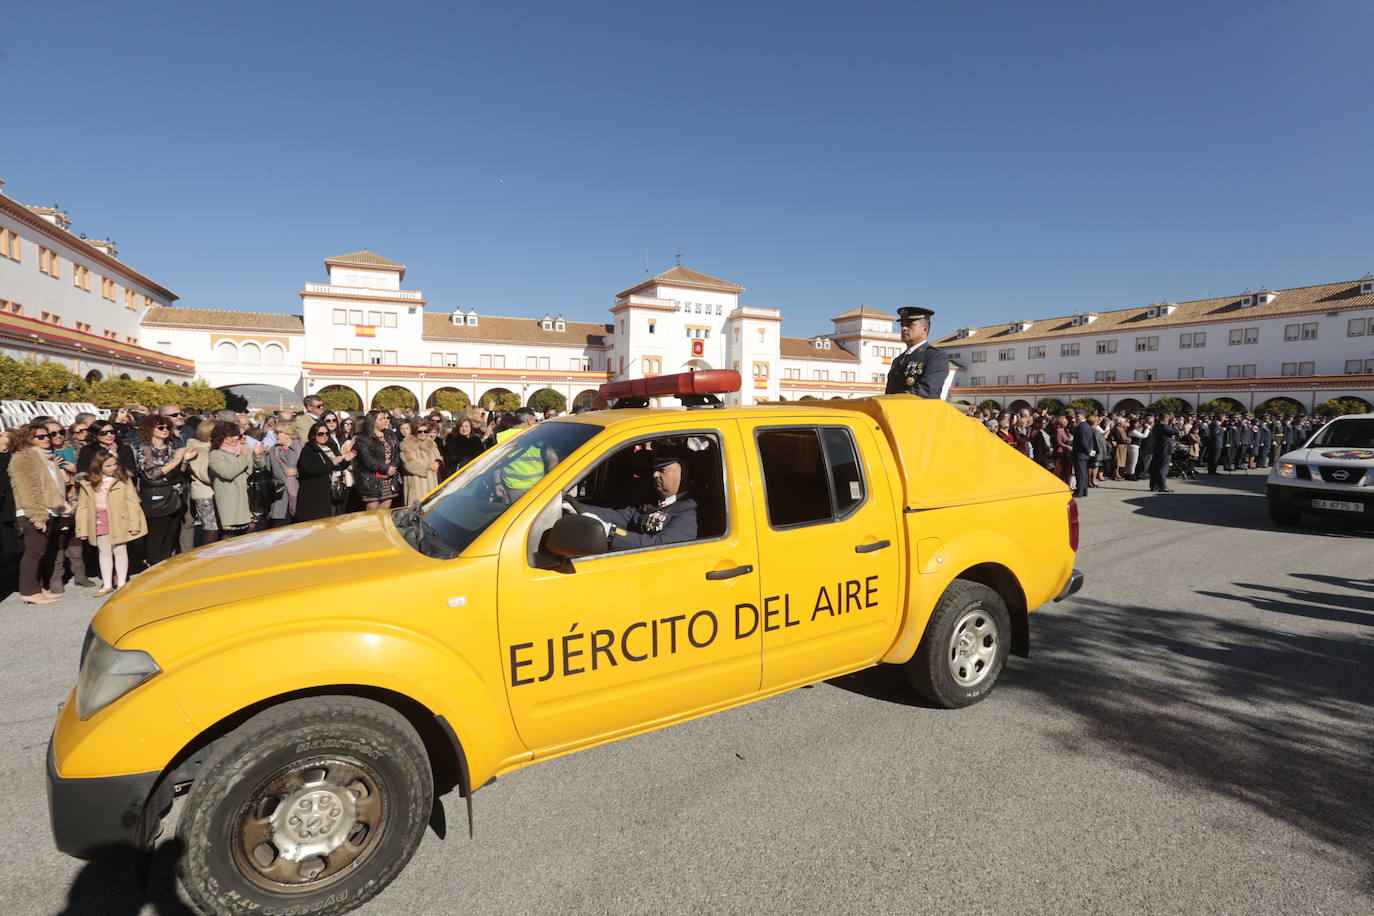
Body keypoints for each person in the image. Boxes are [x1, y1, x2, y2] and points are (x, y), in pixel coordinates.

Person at [575, 443, 699, 549]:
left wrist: (611, 534)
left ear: (684, 474)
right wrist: (578, 509)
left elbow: (661, 546)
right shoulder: (653, 499)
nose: (655, 474)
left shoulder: (689, 510)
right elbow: (624, 517)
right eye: (654, 469)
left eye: (662, 470)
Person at [8, 423, 70, 604]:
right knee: (34, 551)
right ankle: (28, 591)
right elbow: (28, 489)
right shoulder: (23, 458)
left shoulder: (45, 457)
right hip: (32, 511)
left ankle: (36, 588)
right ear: (28, 439)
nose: (47, 439)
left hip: (48, 509)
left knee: (40, 551)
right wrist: (36, 516)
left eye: (48, 436)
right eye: (41, 436)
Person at [74, 450, 146, 596]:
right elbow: (82, 507)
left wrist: (134, 524)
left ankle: (121, 583)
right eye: (108, 465)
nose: (113, 468)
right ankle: (106, 584)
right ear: (98, 466)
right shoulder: (88, 483)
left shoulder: (123, 480)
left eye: (115, 464)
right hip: (99, 519)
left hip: (119, 518)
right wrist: (82, 529)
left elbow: (132, 502)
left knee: (120, 549)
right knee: (104, 551)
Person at [132, 413, 188, 568]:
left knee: (171, 534)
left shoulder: (172, 446)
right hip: (156, 496)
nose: (165, 430)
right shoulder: (146, 448)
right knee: (157, 535)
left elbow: (181, 471)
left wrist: (185, 460)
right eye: (161, 427)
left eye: (167, 427)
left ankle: (165, 566)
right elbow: (151, 473)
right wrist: (176, 461)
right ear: (150, 429)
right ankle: (155, 566)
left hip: (175, 495)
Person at [208, 420, 268, 538]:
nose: (236, 438)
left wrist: (257, 455)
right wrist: (243, 457)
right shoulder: (215, 454)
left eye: (238, 435)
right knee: (230, 537)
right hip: (231, 502)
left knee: (249, 536)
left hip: (248, 499)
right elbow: (228, 473)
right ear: (221, 437)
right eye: (231, 435)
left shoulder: (244, 449)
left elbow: (260, 466)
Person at [884, 306, 951, 399]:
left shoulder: (935, 356)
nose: (904, 328)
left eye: (910, 324)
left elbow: (927, 389)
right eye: (902, 324)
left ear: (925, 329)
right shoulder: (898, 360)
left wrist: (895, 400)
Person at [296, 421, 352, 521]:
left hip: (335, 490)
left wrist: (346, 460)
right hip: (317, 493)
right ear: (313, 436)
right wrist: (331, 463)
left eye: (327, 433)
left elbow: (339, 466)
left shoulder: (331, 447)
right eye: (320, 434)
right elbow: (309, 470)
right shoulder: (308, 450)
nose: (324, 436)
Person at [354, 410, 400, 510]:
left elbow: (397, 453)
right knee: (372, 515)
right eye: (381, 419)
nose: (385, 421)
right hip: (372, 480)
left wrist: (393, 467)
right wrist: (386, 468)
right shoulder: (363, 438)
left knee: (385, 512)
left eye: (385, 418)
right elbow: (368, 460)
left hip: (389, 479)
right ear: (372, 422)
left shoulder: (390, 435)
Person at [185, 419, 221, 545]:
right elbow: (204, 474)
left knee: (217, 528)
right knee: (212, 530)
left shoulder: (210, 448)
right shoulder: (199, 450)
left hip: (213, 493)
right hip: (206, 495)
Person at [400, 421, 443, 505]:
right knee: (416, 511)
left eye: (425, 431)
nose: (422, 433)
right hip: (416, 484)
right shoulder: (407, 444)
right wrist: (428, 466)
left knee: (430, 508)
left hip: (432, 483)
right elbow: (409, 464)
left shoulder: (432, 443)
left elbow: (439, 457)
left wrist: (438, 463)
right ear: (414, 432)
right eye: (419, 431)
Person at [267, 425, 301, 526]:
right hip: (280, 496)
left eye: (278, 433)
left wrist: (296, 472)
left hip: (299, 494)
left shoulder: (301, 447)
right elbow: (267, 469)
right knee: (279, 530)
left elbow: (311, 468)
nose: (275, 436)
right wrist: (258, 457)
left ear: (288, 434)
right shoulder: (273, 450)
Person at [1148, 413, 1180, 493]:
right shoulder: (1164, 426)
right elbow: (1176, 432)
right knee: (1163, 468)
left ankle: (1153, 485)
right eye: (1168, 418)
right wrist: (1173, 424)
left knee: (1155, 468)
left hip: (1157, 449)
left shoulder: (1156, 426)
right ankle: (1163, 487)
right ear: (1166, 418)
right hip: (1165, 449)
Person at [1070, 411, 1096, 498]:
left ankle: (1079, 492)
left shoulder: (1081, 426)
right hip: (1084, 454)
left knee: (1080, 474)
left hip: (1080, 453)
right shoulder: (1088, 426)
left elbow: (1083, 441)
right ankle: (1084, 491)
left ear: (1082, 416)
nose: (1076, 418)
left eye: (1077, 416)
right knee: (1084, 473)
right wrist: (1090, 450)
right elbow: (1091, 440)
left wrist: (1088, 450)